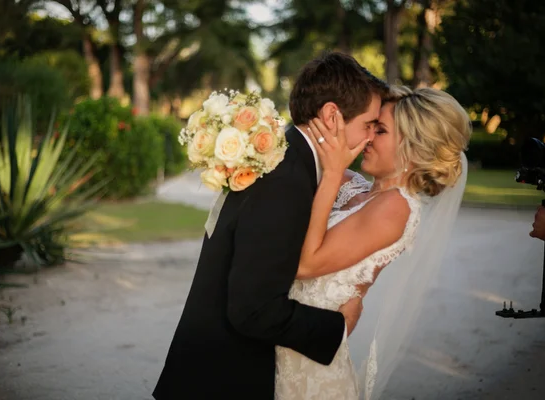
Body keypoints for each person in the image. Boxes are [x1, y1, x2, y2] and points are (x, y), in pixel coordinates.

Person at [153, 52, 387, 400]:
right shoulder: (287, 179)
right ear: (332, 116)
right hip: (223, 379)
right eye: (368, 124)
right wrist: (337, 327)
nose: (371, 136)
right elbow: (252, 309)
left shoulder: (286, 158)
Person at [274, 86, 471, 400]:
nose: (367, 137)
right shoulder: (357, 189)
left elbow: (306, 265)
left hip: (308, 360)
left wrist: (334, 171)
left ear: (412, 147)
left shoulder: (397, 207)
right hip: (287, 336)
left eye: (379, 130)